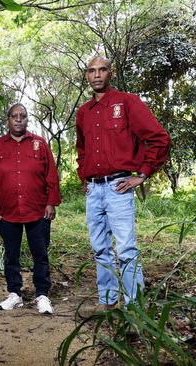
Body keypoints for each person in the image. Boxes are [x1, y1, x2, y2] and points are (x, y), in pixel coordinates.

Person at [76, 56, 170, 311]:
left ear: (111, 73)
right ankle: (108, 302)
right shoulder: (83, 112)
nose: (97, 75)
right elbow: (81, 149)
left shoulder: (127, 102)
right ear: (86, 75)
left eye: (102, 70)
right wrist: (82, 176)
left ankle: (134, 307)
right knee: (100, 249)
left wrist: (142, 174)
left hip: (118, 187)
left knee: (126, 249)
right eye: (92, 71)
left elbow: (160, 138)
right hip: (94, 190)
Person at [0, 103, 62, 315]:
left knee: (40, 253)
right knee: (11, 255)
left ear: (27, 119)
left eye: (23, 116)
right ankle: (14, 294)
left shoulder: (39, 143)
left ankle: (42, 295)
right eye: (14, 116)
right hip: (7, 210)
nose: (18, 119)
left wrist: (51, 203)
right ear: (8, 120)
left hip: (37, 210)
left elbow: (51, 175)